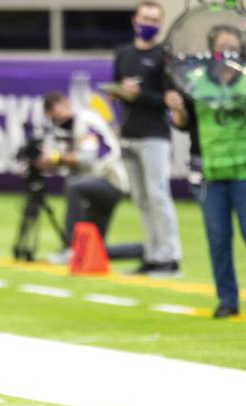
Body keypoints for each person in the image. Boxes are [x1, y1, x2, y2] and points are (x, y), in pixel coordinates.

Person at [164, 25, 246, 318]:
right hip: (209, 173)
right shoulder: (195, 83)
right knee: (218, 238)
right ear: (212, 50)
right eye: (222, 47)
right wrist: (177, 109)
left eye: (233, 47)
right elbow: (183, 123)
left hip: (244, 172)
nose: (228, 53)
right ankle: (227, 299)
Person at [107, 0, 182, 276]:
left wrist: (140, 96)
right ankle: (152, 255)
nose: (148, 24)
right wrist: (119, 93)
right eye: (145, 19)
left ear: (160, 24)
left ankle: (170, 257)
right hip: (129, 134)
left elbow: (168, 101)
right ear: (134, 20)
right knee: (140, 198)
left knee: (158, 195)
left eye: (154, 20)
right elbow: (118, 88)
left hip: (154, 135)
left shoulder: (164, 55)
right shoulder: (124, 53)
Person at [39, 91, 137, 264]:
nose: (59, 120)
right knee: (93, 249)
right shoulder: (70, 125)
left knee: (74, 186)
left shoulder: (85, 120)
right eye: (55, 118)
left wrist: (55, 158)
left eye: (59, 115)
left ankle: (70, 247)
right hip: (101, 180)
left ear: (66, 104)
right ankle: (144, 251)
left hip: (111, 181)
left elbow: (87, 158)